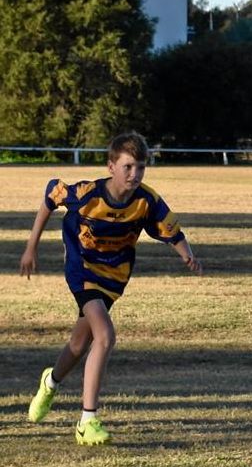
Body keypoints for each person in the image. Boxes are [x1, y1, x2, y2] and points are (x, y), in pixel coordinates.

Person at [20, 132, 202, 445]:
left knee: (80, 343)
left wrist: (187, 255)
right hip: (82, 269)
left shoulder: (146, 200)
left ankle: (50, 382)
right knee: (105, 335)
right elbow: (51, 194)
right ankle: (87, 420)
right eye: (129, 166)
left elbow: (172, 231)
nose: (135, 174)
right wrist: (30, 247)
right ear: (111, 166)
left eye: (141, 167)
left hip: (114, 277)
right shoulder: (86, 193)